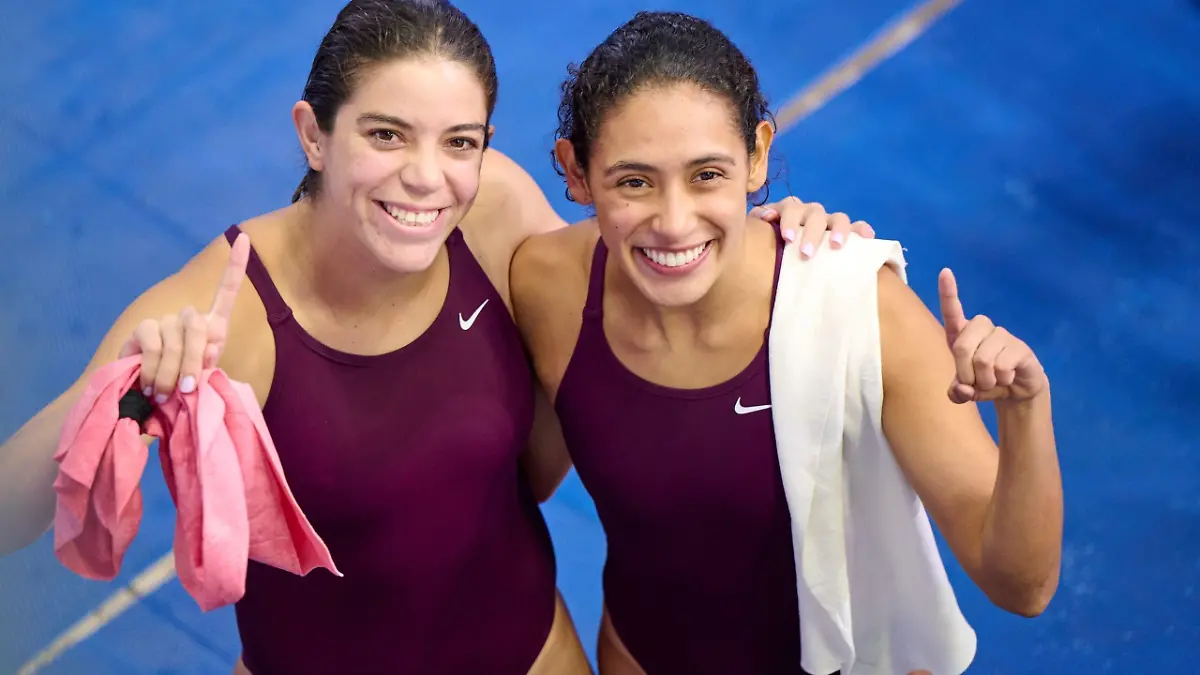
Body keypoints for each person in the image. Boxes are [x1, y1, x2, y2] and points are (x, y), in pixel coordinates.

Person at [0, 2, 875, 674]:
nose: (425, 178)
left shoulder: (488, 202)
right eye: (385, 135)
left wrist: (780, 234)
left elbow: (644, 272)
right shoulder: (229, 309)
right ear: (314, 134)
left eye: (457, 140)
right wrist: (118, 390)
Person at [510, 10, 1064, 675]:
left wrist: (1025, 410)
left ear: (759, 155)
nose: (675, 221)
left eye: (707, 174)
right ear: (574, 172)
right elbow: (516, 479)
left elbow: (1022, 587)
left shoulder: (860, 310)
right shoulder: (547, 287)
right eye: (634, 182)